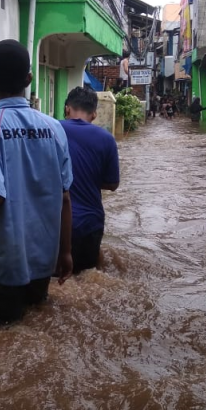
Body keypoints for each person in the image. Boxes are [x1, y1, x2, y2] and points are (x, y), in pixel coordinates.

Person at [0, 40, 73, 325]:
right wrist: (66, 251)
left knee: (1, 333)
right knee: (37, 328)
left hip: (4, 260)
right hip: (44, 256)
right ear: (29, 79)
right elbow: (65, 198)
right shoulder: (55, 128)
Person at [61, 87, 120, 274]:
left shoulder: (51, 130)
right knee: (87, 278)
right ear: (94, 114)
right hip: (90, 223)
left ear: (66, 109)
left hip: (55, 222)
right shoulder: (107, 139)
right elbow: (112, 184)